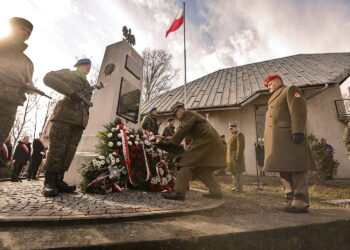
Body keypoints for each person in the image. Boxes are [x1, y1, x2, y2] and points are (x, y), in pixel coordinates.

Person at [263, 74, 316, 213]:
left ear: (278, 81)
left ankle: (301, 202)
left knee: (296, 168)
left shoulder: (289, 90)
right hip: (278, 140)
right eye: (267, 86)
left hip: (289, 137)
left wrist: (298, 131)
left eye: (270, 84)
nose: (269, 87)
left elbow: (298, 110)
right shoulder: (273, 97)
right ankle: (290, 200)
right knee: (284, 169)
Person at [42, 58, 92, 197]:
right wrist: (71, 93)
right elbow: (48, 78)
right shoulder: (69, 74)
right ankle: (49, 182)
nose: (89, 67)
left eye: (89, 66)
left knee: (69, 150)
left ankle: (59, 180)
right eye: (86, 65)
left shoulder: (87, 83)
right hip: (64, 117)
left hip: (79, 122)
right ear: (79, 65)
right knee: (58, 148)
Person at [161, 104, 226, 200]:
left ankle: (179, 192)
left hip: (205, 140)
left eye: (176, 113)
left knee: (185, 162)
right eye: (174, 115)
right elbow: (188, 138)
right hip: (210, 142)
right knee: (201, 168)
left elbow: (183, 129)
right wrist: (183, 148)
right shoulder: (190, 118)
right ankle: (216, 192)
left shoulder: (188, 114)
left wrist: (171, 143)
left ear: (182, 110)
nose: (176, 116)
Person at [0, 17, 34, 147]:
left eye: (29, 33)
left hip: (9, 107)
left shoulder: (27, 62)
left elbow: (29, 87)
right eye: (23, 30)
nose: (26, 34)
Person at [226, 124, 245, 192]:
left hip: (236, 158)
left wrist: (238, 157)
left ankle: (239, 188)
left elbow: (240, 147)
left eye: (231, 128)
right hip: (232, 158)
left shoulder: (239, 135)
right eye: (229, 129)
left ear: (235, 128)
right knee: (234, 173)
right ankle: (235, 187)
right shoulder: (233, 136)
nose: (230, 130)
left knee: (238, 173)